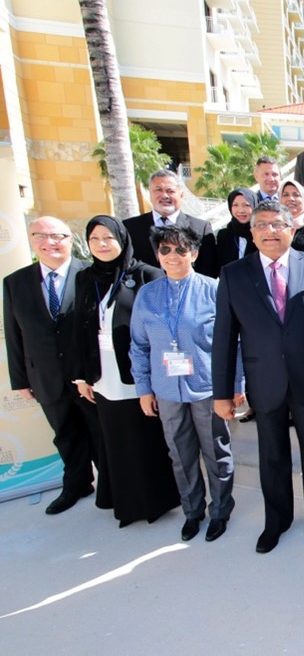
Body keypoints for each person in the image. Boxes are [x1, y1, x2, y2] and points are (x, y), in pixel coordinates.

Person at [212, 200, 304, 554]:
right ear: (251, 233)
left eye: (277, 224)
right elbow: (224, 338)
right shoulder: (234, 274)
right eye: (262, 225)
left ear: (292, 229)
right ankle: (277, 521)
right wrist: (223, 392)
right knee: (272, 455)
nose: (270, 231)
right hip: (263, 380)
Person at [130, 226, 238, 542]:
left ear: (194, 253)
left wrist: (234, 384)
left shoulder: (214, 289)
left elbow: (234, 341)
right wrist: (144, 388)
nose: (173, 256)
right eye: (165, 250)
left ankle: (220, 511)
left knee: (216, 451)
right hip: (166, 389)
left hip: (206, 387)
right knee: (180, 453)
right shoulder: (147, 295)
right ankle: (193, 512)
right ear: (157, 255)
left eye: (181, 250)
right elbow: (138, 345)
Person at [74, 216, 180, 527]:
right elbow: (78, 330)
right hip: (102, 374)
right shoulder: (86, 278)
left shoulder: (147, 275)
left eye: (108, 237)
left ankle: (154, 502)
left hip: (138, 374)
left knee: (144, 440)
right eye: (95, 239)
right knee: (115, 440)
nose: (102, 244)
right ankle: (123, 502)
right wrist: (82, 376)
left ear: (122, 239)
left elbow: (162, 328)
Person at [3, 216, 101, 514]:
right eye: (40, 236)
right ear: (32, 240)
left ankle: (110, 486)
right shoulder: (15, 283)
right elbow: (13, 334)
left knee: (99, 433)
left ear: (70, 240)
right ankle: (76, 485)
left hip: (89, 376)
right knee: (65, 435)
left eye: (57, 236)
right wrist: (20, 380)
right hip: (45, 376)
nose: (50, 243)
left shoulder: (91, 274)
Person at [124, 169, 218, 277]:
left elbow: (209, 270)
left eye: (170, 191)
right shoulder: (130, 227)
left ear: (181, 194)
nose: (164, 196)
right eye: (158, 190)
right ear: (150, 193)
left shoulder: (201, 228)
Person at [216, 188, 258, 268]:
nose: (241, 210)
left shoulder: (262, 233)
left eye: (246, 205)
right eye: (235, 205)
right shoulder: (224, 235)